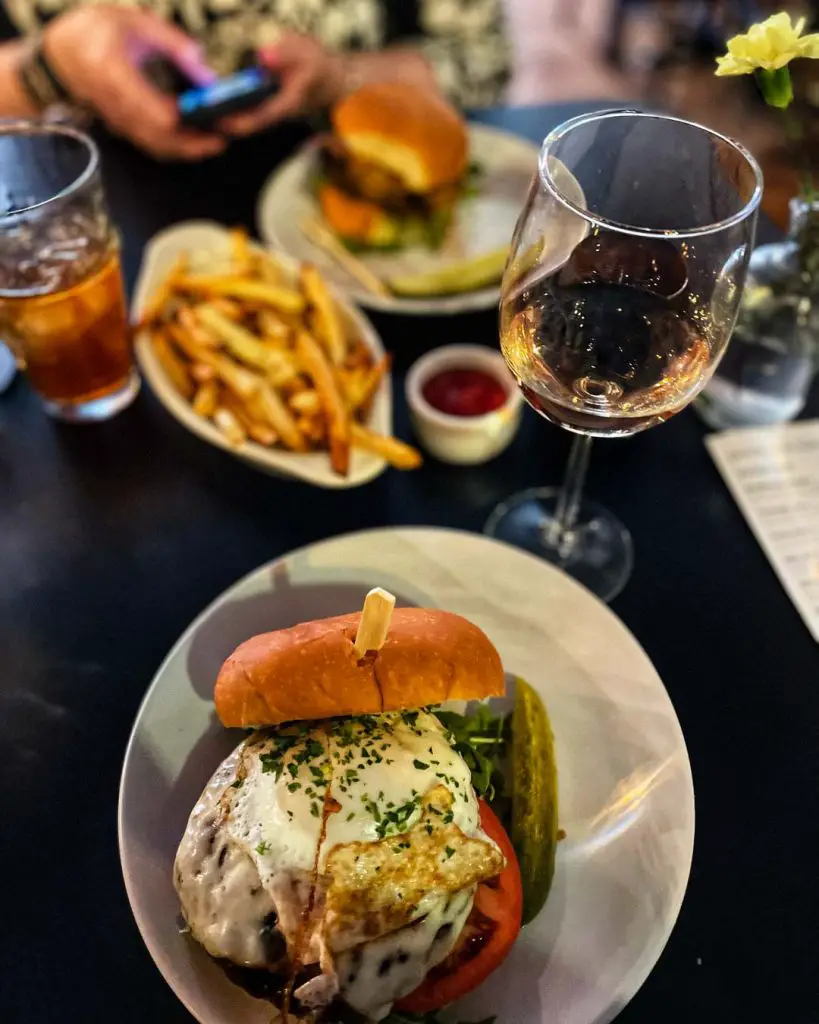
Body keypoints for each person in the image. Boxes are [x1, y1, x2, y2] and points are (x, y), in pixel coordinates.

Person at [0, 1, 511, 161]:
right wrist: (48, 69)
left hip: (349, 202)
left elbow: (480, 64)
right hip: (94, 229)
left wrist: (343, 77)